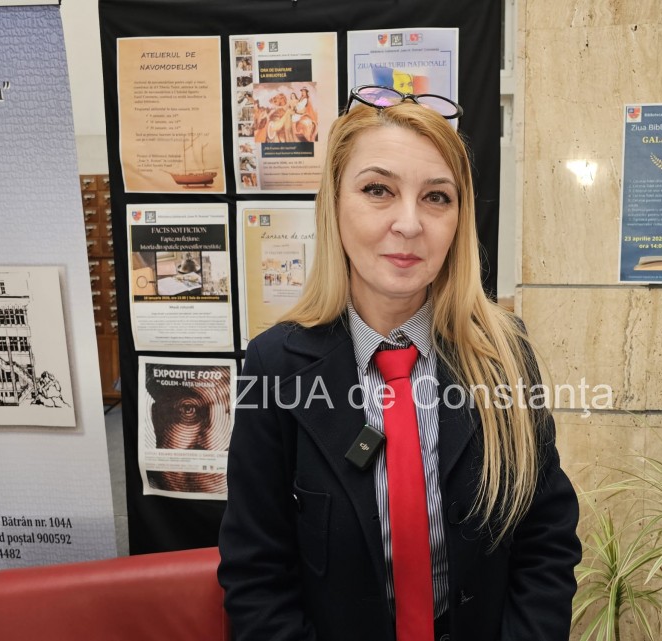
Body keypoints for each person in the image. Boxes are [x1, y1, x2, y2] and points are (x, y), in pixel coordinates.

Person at [218, 87, 581, 641]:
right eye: (378, 190)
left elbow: (545, 540)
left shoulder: (505, 356)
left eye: (437, 197)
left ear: (459, 218)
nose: (409, 224)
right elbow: (257, 575)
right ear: (334, 203)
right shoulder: (275, 369)